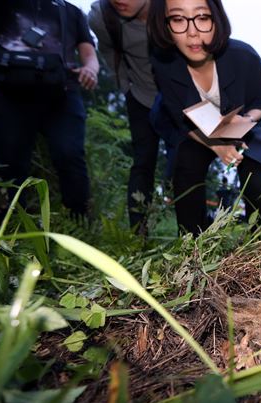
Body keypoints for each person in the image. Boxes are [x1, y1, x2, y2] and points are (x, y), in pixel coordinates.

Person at [0, 0, 98, 217]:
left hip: (62, 93)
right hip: (9, 92)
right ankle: (12, 226)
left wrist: (90, 69)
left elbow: (89, 53)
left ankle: (81, 223)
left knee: (69, 155)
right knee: (9, 162)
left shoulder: (70, 11)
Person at [148, 0, 261, 235]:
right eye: (177, 19)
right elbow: (179, 117)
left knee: (256, 180)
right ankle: (192, 244)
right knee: (185, 167)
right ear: (164, 25)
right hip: (196, 128)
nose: (192, 32)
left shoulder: (244, 57)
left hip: (243, 126)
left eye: (202, 18)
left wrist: (245, 121)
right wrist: (216, 146)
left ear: (217, 20)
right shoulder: (164, 64)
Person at [88, 0, 162, 235]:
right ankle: (138, 235)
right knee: (143, 162)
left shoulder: (177, 8)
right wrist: (126, 89)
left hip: (180, 95)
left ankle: (193, 236)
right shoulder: (102, 17)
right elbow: (108, 51)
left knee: (184, 163)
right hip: (140, 95)